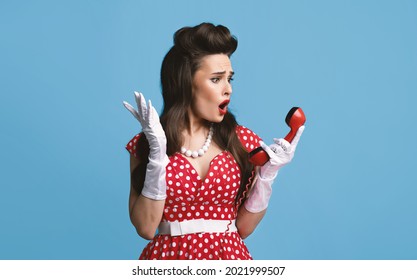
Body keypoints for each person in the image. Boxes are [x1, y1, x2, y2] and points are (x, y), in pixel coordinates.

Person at [123, 22, 305, 260]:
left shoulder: (243, 141)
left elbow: (244, 229)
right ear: (185, 82)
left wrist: (267, 175)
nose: (228, 89)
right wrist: (158, 155)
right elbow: (146, 228)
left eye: (229, 79)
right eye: (216, 79)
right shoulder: (146, 144)